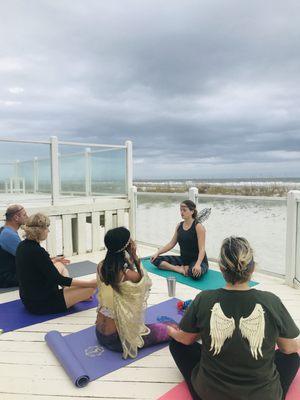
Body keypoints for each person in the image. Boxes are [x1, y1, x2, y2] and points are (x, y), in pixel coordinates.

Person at [167, 236, 300, 400]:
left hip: (210, 394)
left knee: (177, 345)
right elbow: (289, 349)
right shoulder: (271, 301)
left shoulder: (204, 299)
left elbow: (186, 339)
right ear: (252, 268)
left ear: (222, 269)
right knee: (292, 357)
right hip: (264, 396)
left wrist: (171, 332)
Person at [95, 227, 178, 359]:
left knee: (163, 326)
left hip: (99, 333)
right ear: (127, 246)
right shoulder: (127, 275)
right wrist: (134, 256)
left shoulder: (101, 266)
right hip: (116, 340)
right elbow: (145, 283)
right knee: (171, 329)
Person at [16, 213, 97, 315]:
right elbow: (59, 279)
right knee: (90, 289)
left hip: (28, 298)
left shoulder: (22, 246)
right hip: (40, 303)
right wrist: (91, 283)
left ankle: (70, 293)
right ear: (39, 231)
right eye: (47, 228)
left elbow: (34, 265)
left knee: (59, 265)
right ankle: (72, 294)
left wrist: (53, 261)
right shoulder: (38, 251)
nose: (48, 231)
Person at [151, 200, 210, 280]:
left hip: (198, 260)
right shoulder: (179, 225)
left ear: (192, 211)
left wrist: (198, 264)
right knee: (155, 260)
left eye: (184, 210)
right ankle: (178, 269)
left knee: (195, 274)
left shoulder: (198, 227)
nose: (182, 212)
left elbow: (202, 249)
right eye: (180, 210)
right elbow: (171, 243)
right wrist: (157, 253)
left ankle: (187, 268)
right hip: (183, 259)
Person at [0, 204, 28, 288]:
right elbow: (27, 258)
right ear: (16, 218)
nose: (27, 217)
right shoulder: (9, 235)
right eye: (24, 215)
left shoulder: (4, 230)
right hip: (7, 278)